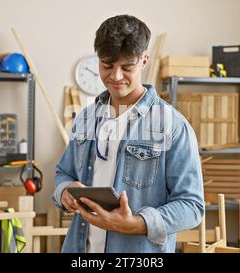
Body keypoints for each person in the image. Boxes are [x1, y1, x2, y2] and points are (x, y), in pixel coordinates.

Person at [52, 14, 204, 253]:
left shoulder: (173, 126)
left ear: (144, 60)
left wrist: (136, 224)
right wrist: (64, 193)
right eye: (106, 65)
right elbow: (64, 172)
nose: (116, 76)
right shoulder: (86, 118)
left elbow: (192, 207)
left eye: (127, 67)